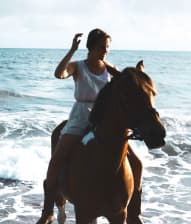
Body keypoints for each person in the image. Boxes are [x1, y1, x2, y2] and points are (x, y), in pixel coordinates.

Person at [36, 28, 143, 224]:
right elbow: (59, 74)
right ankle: (48, 211)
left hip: (104, 119)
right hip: (80, 117)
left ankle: (134, 214)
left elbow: (127, 83)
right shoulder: (78, 66)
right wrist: (71, 50)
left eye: (107, 48)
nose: (105, 51)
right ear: (91, 47)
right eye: (102, 47)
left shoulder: (108, 68)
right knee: (56, 160)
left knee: (137, 163)